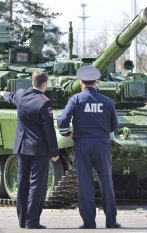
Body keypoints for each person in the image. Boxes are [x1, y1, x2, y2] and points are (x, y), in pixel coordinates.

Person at [57, 65, 121, 229]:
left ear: (81, 82)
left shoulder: (76, 99)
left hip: (82, 144)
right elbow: (114, 125)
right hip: (101, 144)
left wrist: (67, 134)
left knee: (85, 183)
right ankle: (111, 221)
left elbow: (62, 121)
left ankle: (89, 222)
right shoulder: (107, 101)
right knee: (106, 181)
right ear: (96, 82)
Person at [0, 71, 59, 229]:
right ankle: (32, 221)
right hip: (39, 150)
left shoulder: (20, 95)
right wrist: (54, 152)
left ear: (32, 82)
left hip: (22, 147)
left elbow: (10, 96)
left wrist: (3, 94)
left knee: (23, 183)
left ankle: (22, 220)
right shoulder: (44, 102)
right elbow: (49, 131)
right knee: (37, 185)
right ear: (44, 84)